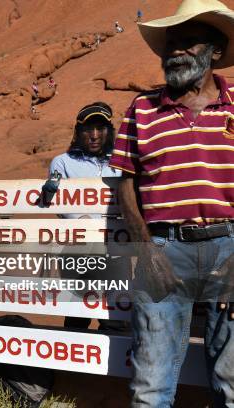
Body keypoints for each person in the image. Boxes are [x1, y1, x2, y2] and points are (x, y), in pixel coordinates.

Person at [109, 0, 234, 406]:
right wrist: (145, 248)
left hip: (230, 248)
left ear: (215, 51)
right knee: (150, 387)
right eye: (171, 43)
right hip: (162, 248)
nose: (175, 50)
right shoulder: (142, 109)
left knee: (232, 382)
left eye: (188, 41)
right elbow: (125, 182)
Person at [49, 102, 128, 332]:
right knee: (76, 314)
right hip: (78, 249)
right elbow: (58, 202)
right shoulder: (62, 162)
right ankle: (71, 367)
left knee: (115, 315)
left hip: (115, 249)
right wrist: (82, 219)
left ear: (109, 131)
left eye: (100, 128)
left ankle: (110, 366)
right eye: (87, 129)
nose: (94, 135)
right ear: (78, 132)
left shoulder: (122, 162)